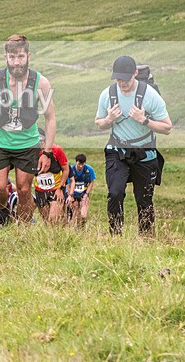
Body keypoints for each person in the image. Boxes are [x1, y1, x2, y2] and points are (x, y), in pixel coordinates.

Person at [0, 35, 56, 223]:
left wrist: (47, 152)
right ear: (6, 58)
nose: (16, 62)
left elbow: (50, 118)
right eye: (12, 57)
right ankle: (6, 210)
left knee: (24, 189)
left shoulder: (40, 83)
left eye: (20, 56)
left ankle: (23, 228)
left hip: (27, 144)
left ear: (28, 56)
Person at [95, 55, 171, 236]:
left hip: (144, 151)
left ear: (135, 73)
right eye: (118, 79)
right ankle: (115, 236)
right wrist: (109, 119)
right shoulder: (108, 94)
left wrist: (144, 120)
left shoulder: (150, 95)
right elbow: (99, 123)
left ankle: (146, 239)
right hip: (117, 149)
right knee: (115, 193)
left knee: (144, 200)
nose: (122, 83)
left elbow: (167, 127)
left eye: (126, 79)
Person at [33, 139, 69, 224]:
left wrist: (60, 188)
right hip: (40, 191)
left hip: (55, 189)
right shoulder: (32, 152)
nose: (40, 143)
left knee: (53, 219)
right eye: (38, 141)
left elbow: (66, 170)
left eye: (42, 141)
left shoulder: (56, 149)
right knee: (46, 222)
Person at [66, 153, 96, 227]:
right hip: (74, 194)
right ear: (76, 162)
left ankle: (82, 226)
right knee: (75, 214)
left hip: (83, 194)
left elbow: (92, 181)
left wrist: (87, 194)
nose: (80, 166)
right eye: (79, 164)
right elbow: (68, 184)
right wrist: (70, 195)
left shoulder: (89, 170)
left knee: (83, 215)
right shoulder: (71, 170)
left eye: (82, 164)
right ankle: (76, 229)